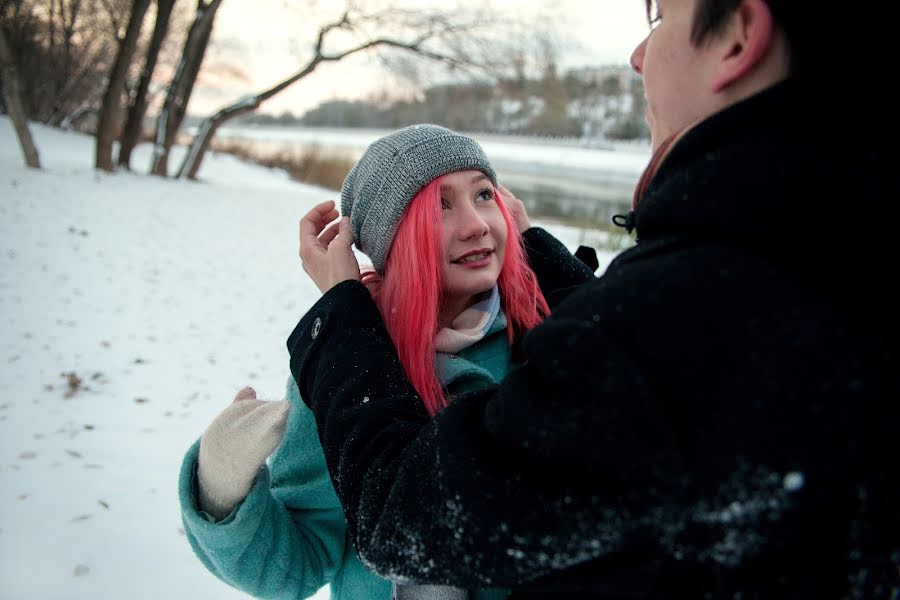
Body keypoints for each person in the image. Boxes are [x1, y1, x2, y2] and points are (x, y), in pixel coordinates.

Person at [288, 0, 900, 597]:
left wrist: (342, 314)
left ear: (738, 36)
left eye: (660, 17)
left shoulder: (689, 312)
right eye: (440, 206)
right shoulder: (827, 250)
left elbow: (405, 512)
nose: (637, 55)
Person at [178, 124, 593, 599]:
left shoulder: (547, 339)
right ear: (391, 239)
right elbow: (301, 560)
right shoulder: (343, 366)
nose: (477, 223)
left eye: (483, 194)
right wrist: (222, 490)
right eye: (441, 204)